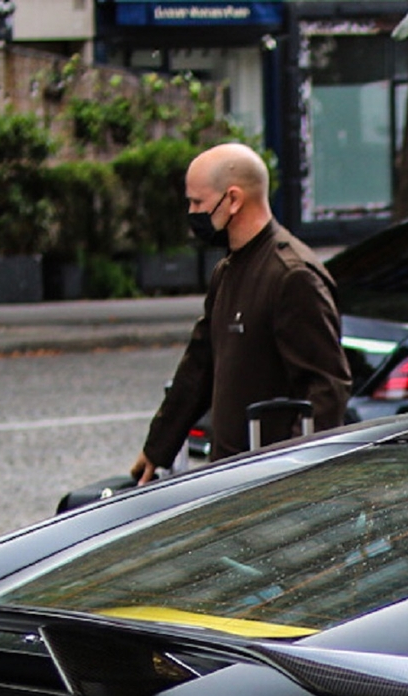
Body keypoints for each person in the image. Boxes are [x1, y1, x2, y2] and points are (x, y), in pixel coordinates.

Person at [131, 143, 349, 483]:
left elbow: (326, 388)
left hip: (268, 484)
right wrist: (158, 447)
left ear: (233, 200)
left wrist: (292, 476)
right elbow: (200, 365)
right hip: (231, 475)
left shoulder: (292, 275)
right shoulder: (228, 270)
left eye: (198, 203)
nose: (192, 212)